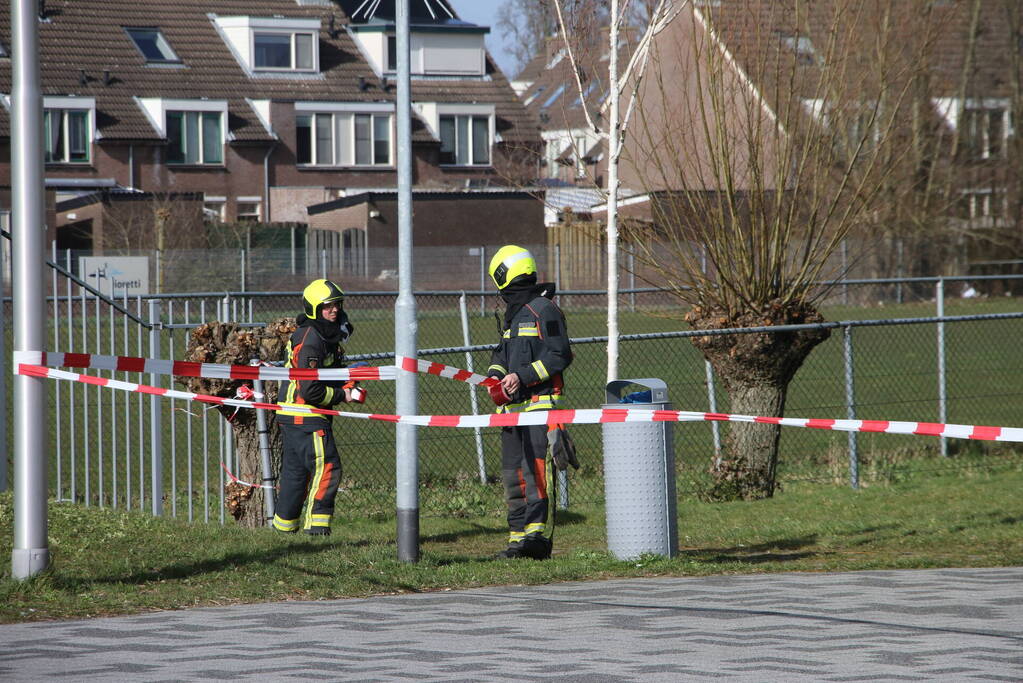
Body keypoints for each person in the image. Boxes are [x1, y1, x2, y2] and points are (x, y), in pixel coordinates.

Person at [486, 245, 573, 559]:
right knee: (514, 476)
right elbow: (501, 354)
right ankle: (517, 540)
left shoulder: (543, 309)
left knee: (535, 473)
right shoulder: (514, 314)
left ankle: (536, 539)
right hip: (510, 412)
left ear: (503, 276)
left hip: (539, 407)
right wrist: (495, 376)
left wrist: (521, 377)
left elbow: (560, 355)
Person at [272, 279, 360, 536]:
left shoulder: (323, 334)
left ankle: (283, 529)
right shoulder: (312, 338)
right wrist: (343, 394)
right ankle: (317, 528)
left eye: (337, 304)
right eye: (327, 306)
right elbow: (310, 390)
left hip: (293, 415)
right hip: (306, 414)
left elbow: (325, 373)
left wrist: (348, 377)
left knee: (296, 474)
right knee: (327, 466)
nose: (334, 310)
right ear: (314, 308)